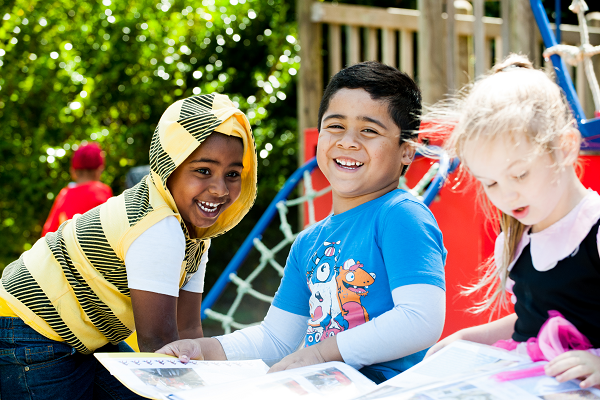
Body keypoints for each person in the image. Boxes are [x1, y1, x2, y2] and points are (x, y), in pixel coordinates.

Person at [157, 61, 447, 384]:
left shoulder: (401, 215)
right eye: (335, 126)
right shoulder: (309, 242)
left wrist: (321, 353)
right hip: (317, 385)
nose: (348, 141)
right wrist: (205, 349)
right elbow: (276, 340)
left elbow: (421, 319)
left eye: (369, 130)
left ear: (406, 151)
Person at [0, 93, 258, 399]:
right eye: (203, 170)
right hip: (31, 330)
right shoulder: (157, 225)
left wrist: (206, 382)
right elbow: (159, 344)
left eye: (232, 174)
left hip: (84, 333)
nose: (219, 188)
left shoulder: (196, 235)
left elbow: (187, 331)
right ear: (169, 166)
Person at [422, 55, 600, 389]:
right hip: (527, 379)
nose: (506, 195)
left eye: (519, 174)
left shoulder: (595, 230)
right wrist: (464, 339)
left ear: (565, 148)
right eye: (490, 183)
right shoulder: (513, 240)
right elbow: (536, 319)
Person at [41, 143, 113, 236]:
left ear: (73, 171)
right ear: (99, 170)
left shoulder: (65, 194)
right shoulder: (103, 191)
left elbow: (48, 232)